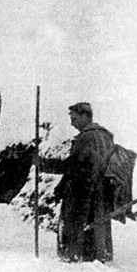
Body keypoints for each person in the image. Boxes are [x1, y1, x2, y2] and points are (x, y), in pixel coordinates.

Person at [40, 102, 115, 262]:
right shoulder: (105, 137)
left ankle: (75, 257)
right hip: (101, 192)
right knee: (98, 228)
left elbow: (73, 166)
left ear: (85, 116)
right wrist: (60, 188)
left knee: (76, 227)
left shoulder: (87, 137)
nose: (72, 122)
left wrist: (43, 164)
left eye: (74, 118)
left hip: (83, 193)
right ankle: (99, 256)